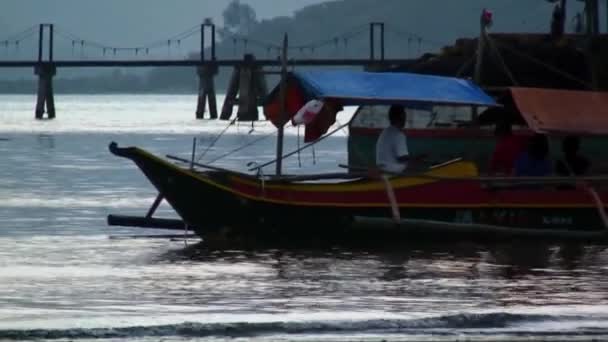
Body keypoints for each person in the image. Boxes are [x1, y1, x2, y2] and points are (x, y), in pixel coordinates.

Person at [376, 105, 410, 173]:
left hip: (382, 170)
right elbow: (402, 158)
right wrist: (417, 160)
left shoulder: (384, 132)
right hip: (393, 171)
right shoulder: (399, 135)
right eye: (404, 115)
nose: (405, 119)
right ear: (401, 117)